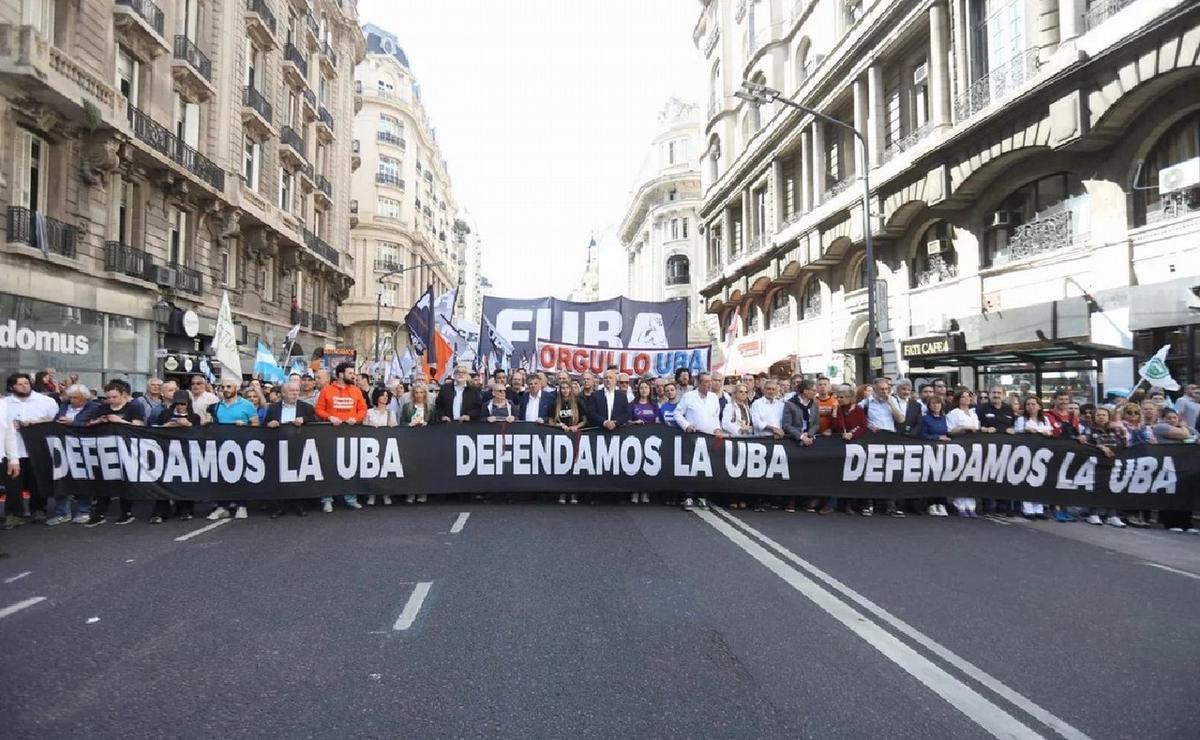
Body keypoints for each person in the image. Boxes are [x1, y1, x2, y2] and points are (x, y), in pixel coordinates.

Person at [84, 380, 146, 526]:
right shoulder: (103, 408)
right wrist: (100, 420)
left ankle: (126, 511)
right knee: (103, 481)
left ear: (123, 395)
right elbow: (88, 424)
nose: (111, 400)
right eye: (109, 397)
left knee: (125, 480)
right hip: (106, 450)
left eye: (114, 397)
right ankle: (99, 513)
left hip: (126, 449)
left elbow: (139, 426)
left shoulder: (133, 408)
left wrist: (120, 421)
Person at [2, 372, 60, 525]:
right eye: (20, 384)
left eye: (26, 383)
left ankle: (39, 509)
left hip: (38, 448)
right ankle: (14, 513)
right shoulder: (5, 403)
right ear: (11, 387)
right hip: (13, 450)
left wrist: (36, 422)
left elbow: (54, 420)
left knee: (38, 480)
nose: (24, 386)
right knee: (13, 483)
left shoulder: (46, 401)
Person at [315, 363, 368, 513]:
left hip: (351, 433)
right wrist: (329, 417)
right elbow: (318, 409)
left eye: (353, 373)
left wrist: (356, 418)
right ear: (340, 374)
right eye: (350, 373)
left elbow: (363, 409)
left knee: (351, 466)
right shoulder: (327, 390)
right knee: (329, 465)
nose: (353, 376)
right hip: (330, 434)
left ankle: (351, 498)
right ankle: (327, 499)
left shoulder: (356, 391)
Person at [205, 378, 260, 521]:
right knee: (222, 477)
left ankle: (242, 505)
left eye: (229, 386)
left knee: (241, 476)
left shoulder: (247, 405)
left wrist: (245, 425)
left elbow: (256, 425)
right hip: (221, 446)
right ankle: (222, 506)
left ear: (236, 388)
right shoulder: (216, 406)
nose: (226, 389)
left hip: (241, 446)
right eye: (223, 387)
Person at [262, 380, 316, 518]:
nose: (295, 393)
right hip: (278, 446)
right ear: (283, 393)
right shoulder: (273, 408)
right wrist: (269, 424)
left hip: (299, 446)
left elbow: (316, 422)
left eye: (297, 391)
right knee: (279, 477)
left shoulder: (306, 407)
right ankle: (280, 506)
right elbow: (263, 426)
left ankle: (299, 505)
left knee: (298, 477)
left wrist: (304, 420)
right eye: (292, 391)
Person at [673, 371, 724, 511]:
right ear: (699, 383)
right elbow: (677, 413)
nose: (710, 384)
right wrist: (686, 425)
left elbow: (715, 417)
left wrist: (717, 429)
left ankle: (702, 496)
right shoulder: (689, 396)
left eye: (711, 381)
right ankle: (688, 497)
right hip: (692, 437)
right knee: (691, 466)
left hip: (708, 437)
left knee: (705, 467)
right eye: (706, 382)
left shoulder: (714, 397)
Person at [1151, 407, 1199, 533]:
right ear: (1163, 419)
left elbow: (1196, 438)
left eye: (1174, 418)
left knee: (1187, 494)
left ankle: (1186, 522)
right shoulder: (1160, 427)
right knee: (1171, 493)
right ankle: (1171, 521)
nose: (1172, 420)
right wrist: (1184, 426)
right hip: (1169, 466)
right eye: (1169, 418)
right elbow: (1185, 435)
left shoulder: (1189, 429)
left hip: (1187, 465)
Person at [1079, 407, 1127, 528]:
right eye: (1099, 415)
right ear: (1094, 417)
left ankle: (1112, 515)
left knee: (1113, 488)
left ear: (1108, 417)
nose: (1101, 417)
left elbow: (1123, 444)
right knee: (1097, 488)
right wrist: (1101, 447)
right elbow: (1085, 443)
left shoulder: (1116, 430)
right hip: (1096, 464)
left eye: (1104, 415)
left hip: (1114, 463)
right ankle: (1093, 513)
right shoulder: (1089, 430)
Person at [545, 380, 587, 505]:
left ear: (571, 389)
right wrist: (559, 425)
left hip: (575, 436)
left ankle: (573, 493)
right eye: (562, 388)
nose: (565, 390)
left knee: (575, 464)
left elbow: (585, 420)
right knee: (561, 464)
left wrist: (577, 426)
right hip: (560, 436)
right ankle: (562, 492)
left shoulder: (578, 402)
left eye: (567, 388)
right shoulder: (555, 403)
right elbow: (550, 421)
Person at [1014, 396, 1054, 519]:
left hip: (1042, 453)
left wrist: (1040, 431)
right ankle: (1028, 509)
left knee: (1040, 480)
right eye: (1028, 404)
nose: (1031, 406)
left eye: (1033, 404)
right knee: (1027, 480)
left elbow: (1050, 432)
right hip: (1027, 453)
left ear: (1039, 406)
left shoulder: (1045, 419)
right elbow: (1019, 431)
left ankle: (1038, 508)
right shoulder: (1022, 419)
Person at [946, 389, 981, 517]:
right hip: (960, 445)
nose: (966, 399)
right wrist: (963, 428)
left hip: (974, 447)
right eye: (963, 397)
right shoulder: (954, 413)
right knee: (960, 473)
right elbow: (949, 430)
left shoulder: (973, 413)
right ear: (958, 399)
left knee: (971, 474)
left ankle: (971, 503)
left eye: (968, 397)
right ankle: (959, 502)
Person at [917, 395, 951, 517]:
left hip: (943, 452)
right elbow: (922, 434)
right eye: (933, 403)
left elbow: (948, 432)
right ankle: (931, 504)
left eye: (938, 403)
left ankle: (941, 503)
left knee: (942, 477)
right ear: (929, 406)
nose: (936, 405)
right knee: (931, 477)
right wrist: (937, 437)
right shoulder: (925, 418)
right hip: (930, 451)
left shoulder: (944, 418)